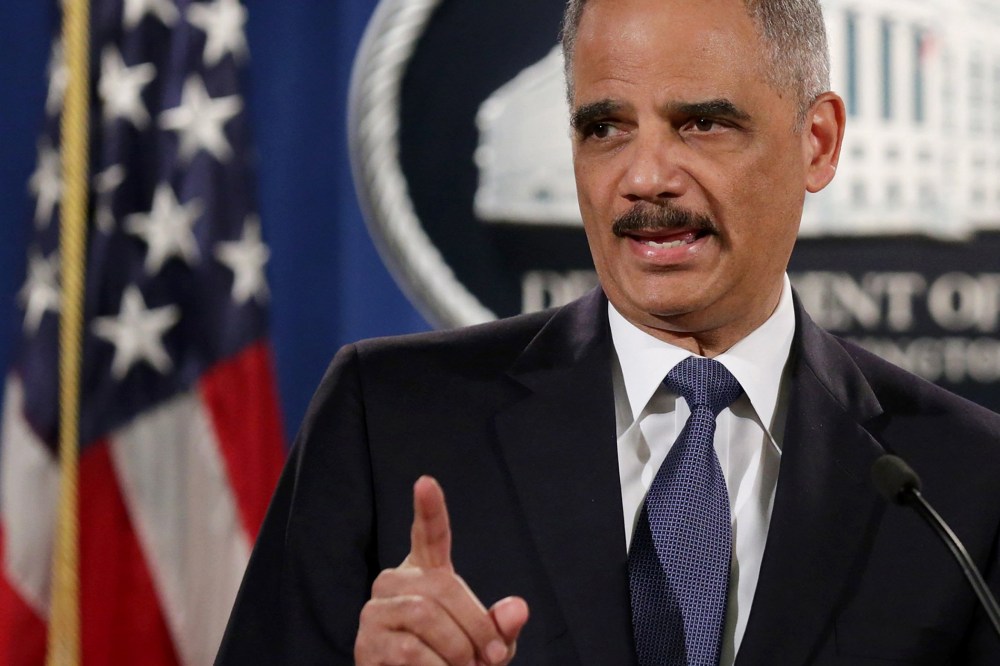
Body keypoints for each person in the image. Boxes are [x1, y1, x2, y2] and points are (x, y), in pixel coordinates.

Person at [217, 0, 1000, 663]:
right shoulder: (386, 421)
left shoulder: (964, 480)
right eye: (605, 128)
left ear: (817, 141)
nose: (643, 176)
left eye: (700, 124)